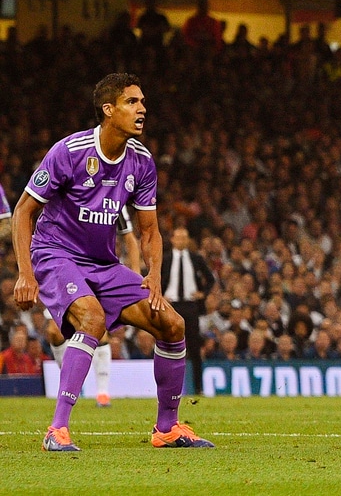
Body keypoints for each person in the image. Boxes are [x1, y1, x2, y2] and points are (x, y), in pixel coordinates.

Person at [11, 72, 214, 451]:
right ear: (108, 109)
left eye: (143, 102)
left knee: (172, 324)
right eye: (132, 102)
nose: (142, 109)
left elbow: (149, 231)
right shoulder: (69, 152)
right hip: (56, 254)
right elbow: (23, 211)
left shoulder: (142, 161)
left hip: (103, 264)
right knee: (92, 318)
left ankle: (167, 428)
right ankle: (57, 430)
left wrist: (154, 275)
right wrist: (25, 273)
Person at [43, 206, 140, 407]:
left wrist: (137, 275)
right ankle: (70, 383)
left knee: (98, 329)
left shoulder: (114, 200)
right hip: (65, 269)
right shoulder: (67, 198)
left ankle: (102, 393)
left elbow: (129, 237)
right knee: (54, 332)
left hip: (99, 272)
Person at [160, 227, 216, 395]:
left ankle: (198, 388)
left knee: (194, 347)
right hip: (171, 306)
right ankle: (167, 387)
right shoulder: (165, 259)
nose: (182, 241)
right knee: (169, 346)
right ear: (172, 239)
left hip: (191, 306)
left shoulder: (196, 258)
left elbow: (210, 279)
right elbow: (154, 278)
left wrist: (203, 294)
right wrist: (160, 295)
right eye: (179, 237)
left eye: (184, 237)